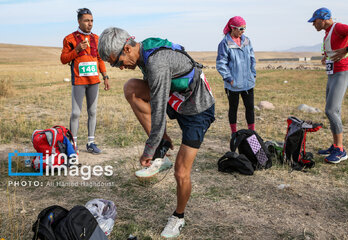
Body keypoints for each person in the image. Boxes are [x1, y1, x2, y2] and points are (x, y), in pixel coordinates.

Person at [98, 27, 215, 238]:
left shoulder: (156, 63)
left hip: (197, 109)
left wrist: (148, 151)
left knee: (181, 171)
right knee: (131, 88)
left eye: (117, 62)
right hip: (176, 98)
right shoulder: (143, 53)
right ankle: (162, 145)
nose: (120, 68)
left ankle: (178, 217)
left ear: (127, 48)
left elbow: (159, 112)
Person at [308, 7, 348, 163]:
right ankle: (335, 146)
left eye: (314, 21)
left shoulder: (339, 27)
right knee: (332, 111)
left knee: (331, 110)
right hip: (332, 74)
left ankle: (340, 150)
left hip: (342, 73)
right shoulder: (328, 32)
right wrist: (326, 57)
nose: (313, 25)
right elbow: (333, 47)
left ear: (323, 19)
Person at [60, 8, 110, 154]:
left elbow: (100, 59)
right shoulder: (69, 39)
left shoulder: (96, 38)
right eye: (87, 21)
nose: (90, 24)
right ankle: (73, 145)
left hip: (94, 81)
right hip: (79, 82)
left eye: (92, 21)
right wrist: (76, 50)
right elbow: (63, 59)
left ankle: (91, 143)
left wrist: (105, 76)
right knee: (75, 113)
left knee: (92, 111)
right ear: (79, 21)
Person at [216, 16, 256, 136]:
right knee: (233, 108)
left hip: (248, 83)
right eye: (240, 28)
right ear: (232, 28)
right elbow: (221, 63)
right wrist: (229, 79)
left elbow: (252, 58)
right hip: (233, 84)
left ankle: (252, 132)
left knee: (250, 108)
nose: (243, 31)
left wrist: (253, 74)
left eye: (244, 28)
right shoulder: (224, 43)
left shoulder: (247, 41)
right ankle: (234, 133)